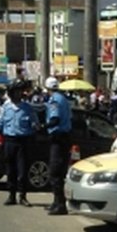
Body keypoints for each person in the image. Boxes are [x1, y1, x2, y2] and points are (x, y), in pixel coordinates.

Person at [0, 80, 36, 206]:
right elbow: (0, 123)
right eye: (15, 92)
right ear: (11, 94)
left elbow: (34, 124)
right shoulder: (5, 108)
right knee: (10, 170)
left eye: (19, 92)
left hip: (23, 142)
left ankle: (23, 196)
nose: (18, 94)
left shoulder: (27, 108)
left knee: (22, 171)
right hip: (9, 141)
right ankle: (11, 196)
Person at [44, 77, 72, 215]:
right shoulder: (63, 98)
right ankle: (56, 202)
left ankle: (60, 204)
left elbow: (55, 119)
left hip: (58, 138)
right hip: (63, 137)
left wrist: (43, 126)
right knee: (58, 172)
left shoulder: (54, 99)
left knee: (55, 172)